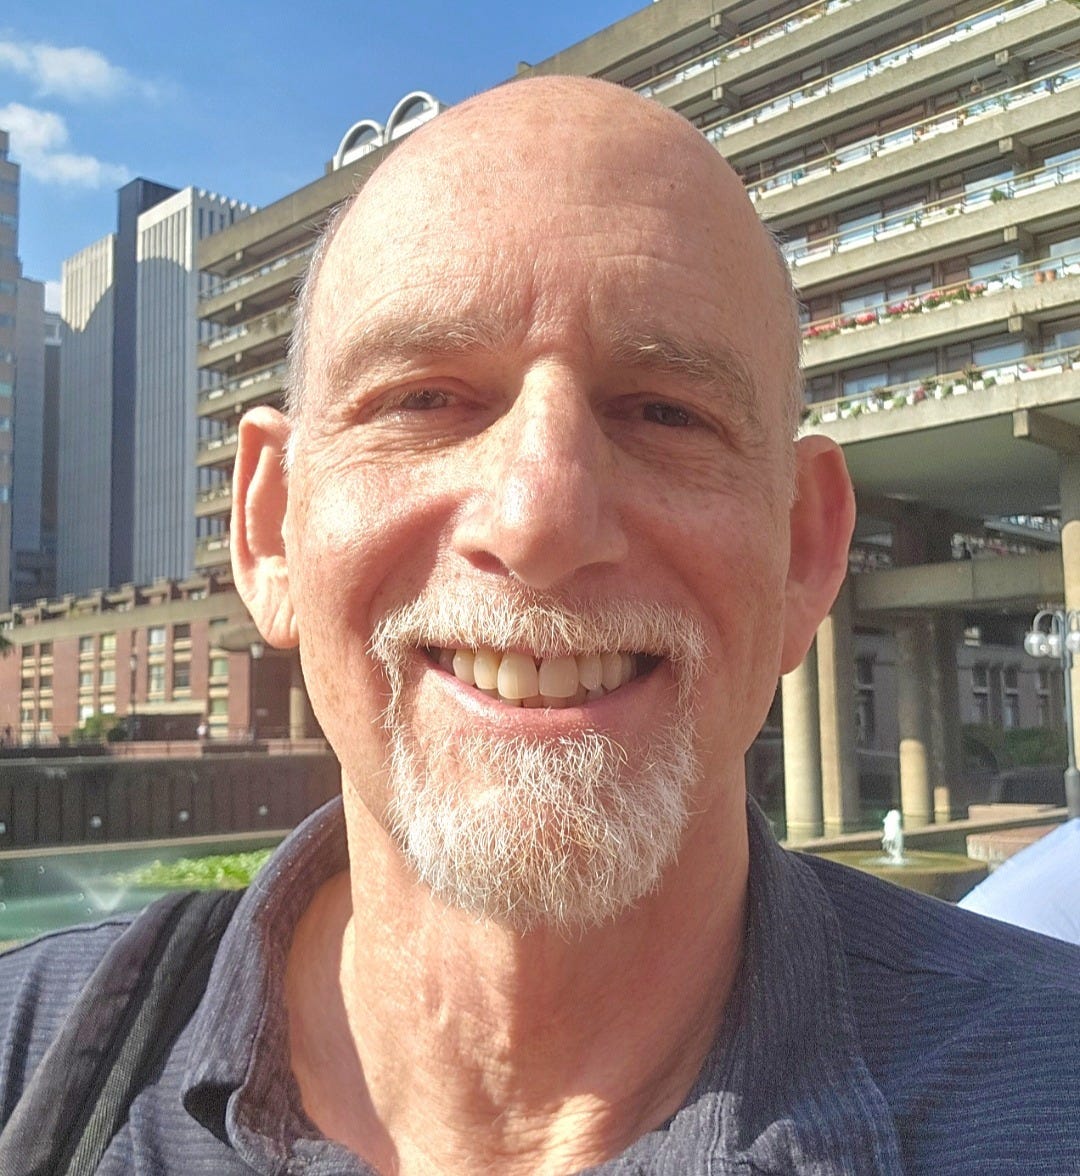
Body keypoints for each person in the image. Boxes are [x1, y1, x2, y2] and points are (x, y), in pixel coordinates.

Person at [2, 77, 1078, 1175]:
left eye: (666, 412)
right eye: (425, 400)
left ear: (805, 550)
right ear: (270, 528)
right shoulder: (24, 1063)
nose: (541, 520)